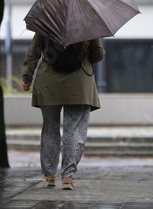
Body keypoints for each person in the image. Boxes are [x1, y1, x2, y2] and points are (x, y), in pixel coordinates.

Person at [21, 33, 105, 190]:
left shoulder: (46, 23)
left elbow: (33, 53)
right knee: (74, 131)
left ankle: (49, 175)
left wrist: (27, 77)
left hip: (49, 83)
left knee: (50, 128)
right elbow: (97, 55)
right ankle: (68, 176)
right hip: (79, 85)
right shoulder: (87, 25)